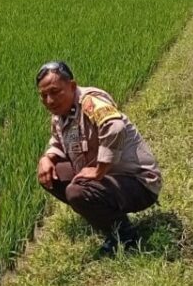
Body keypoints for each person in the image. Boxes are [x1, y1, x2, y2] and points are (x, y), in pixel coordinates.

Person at [35, 61, 162, 256]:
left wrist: (99, 169)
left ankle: (125, 236)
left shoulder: (91, 102)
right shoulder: (60, 115)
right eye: (44, 95)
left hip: (139, 182)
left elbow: (115, 127)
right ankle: (106, 216)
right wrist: (47, 158)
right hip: (111, 181)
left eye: (55, 91)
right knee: (51, 175)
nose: (50, 100)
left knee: (77, 192)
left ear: (72, 86)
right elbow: (57, 142)